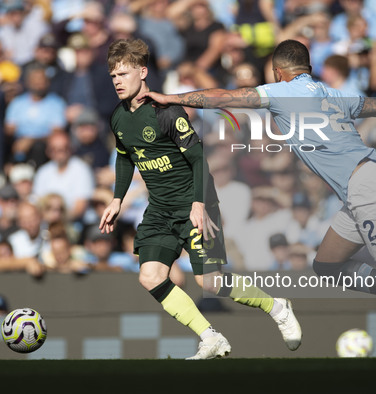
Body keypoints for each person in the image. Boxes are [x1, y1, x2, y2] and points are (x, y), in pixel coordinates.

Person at [142, 39, 376, 356]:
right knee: (328, 265)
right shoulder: (332, 93)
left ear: (279, 72)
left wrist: (170, 97)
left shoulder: (284, 92)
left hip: (369, 189)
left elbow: (226, 98)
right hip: (360, 191)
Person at [99, 38, 301, 360]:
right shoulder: (119, 118)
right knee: (150, 276)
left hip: (196, 203)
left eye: (123, 74)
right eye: (113, 77)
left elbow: (198, 161)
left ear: (143, 71)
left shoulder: (166, 113)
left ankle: (277, 306)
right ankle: (210, 337)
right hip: (161, 210)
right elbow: (126, 157)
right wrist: (117, 199)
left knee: (211, 282)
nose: (117, 82)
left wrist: (197, 204)